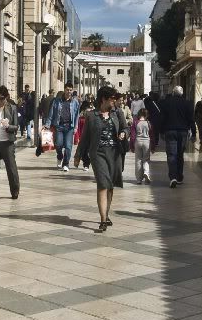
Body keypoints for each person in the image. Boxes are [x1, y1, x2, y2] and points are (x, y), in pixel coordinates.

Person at [78, 86, 126, 233]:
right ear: (104, 99)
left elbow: (125, 128)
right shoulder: (92, 116)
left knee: (110, 186)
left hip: (115, 153)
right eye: (112, 98)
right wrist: (78, 155)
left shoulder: (117, 113)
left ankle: (106, 213)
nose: (114, 101)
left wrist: (123, 133)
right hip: (98, 153)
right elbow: (85, 137)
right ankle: (103, 220)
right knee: (103, 184)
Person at [160, 86, 195, 188]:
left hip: (170, 131)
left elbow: (162, 118)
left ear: (173, 93)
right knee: (180, 154)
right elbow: (191, 119)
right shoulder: (187, 103)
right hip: (183, 132)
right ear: (182, 93)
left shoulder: (166, 103)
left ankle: (173, 177)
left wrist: (161, 131)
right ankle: (179, 177)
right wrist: (194, 133)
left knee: (171, 154)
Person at [47, 83, 81, 172]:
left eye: (70, 90)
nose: (69, 92)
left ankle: (66, 164)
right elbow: (51, 113)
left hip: (69, 127)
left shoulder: (75, 102)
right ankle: (59, 156)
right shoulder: (56, 101)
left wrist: (76, 127)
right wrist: (47, 125)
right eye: (67, 90)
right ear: (64, 90)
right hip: (59, 126)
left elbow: (77, 115)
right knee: (58, 144)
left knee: (68, 146)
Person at [132, 108, 152, 184]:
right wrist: (153, 146)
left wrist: (132, 146)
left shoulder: (135, 122)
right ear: (146, 115)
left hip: (138, 141)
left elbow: (133, 135)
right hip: (147, 142)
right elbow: (152, 135)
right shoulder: (148, 123)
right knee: (146, 159)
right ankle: (146, 172)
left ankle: (139, 179)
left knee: (138, 160)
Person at [36, 89, 55, 157]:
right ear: (53, 93)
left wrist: (42, 113)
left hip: (45, 116)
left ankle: (45, 146)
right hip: (52, 117)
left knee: (45, 132)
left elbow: (41, 107)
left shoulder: (45, 99)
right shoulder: (55, 99)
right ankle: (50, 145)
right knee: (51, 131)